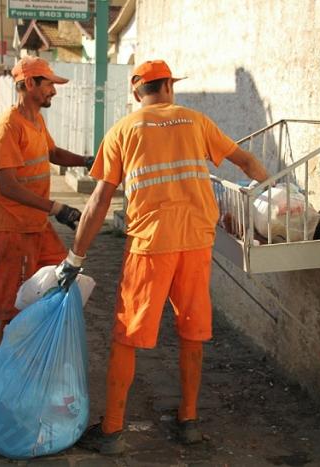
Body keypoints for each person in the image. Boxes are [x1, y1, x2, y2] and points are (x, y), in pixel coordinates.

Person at [56, 59, 270, 454]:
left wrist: (75, 256)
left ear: (138, 91)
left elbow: (99, 200)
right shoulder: (197, 122)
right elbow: (246, 162)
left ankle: (113, 431)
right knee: (192, 330)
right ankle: (188, 421)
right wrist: (276, 194)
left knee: (127, 335)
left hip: (150, 246)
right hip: (196, 242)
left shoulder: (123, 130)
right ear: (169, 87)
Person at [0, 56, 95, 344]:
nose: (54, 91)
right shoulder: (8, 126)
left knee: (61, 279)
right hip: (14, 228)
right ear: (30, 83)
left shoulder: (35, 120)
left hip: (35, 225)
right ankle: (8, 366)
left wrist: (87, 161)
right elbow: (8, 186)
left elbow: (53, 153)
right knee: (14, 305)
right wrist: (56, 208)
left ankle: (37, 347)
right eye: (49, 85)